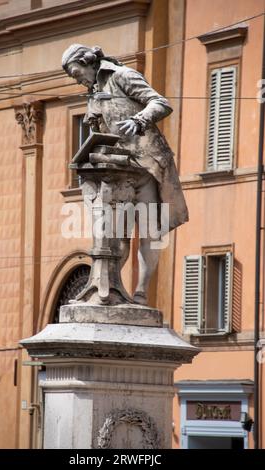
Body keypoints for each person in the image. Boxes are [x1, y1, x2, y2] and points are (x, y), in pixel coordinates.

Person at [62, 44, 189, 305]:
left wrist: (139, 120)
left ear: (87, 63)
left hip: (146, 165)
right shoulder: (94, 91)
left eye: (77, 73)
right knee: (116, 236)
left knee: (151, 233)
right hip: (117, 168)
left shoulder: (122, 76)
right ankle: (104, 292)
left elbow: (160, 103)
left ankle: (141, 293)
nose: (78, 80)